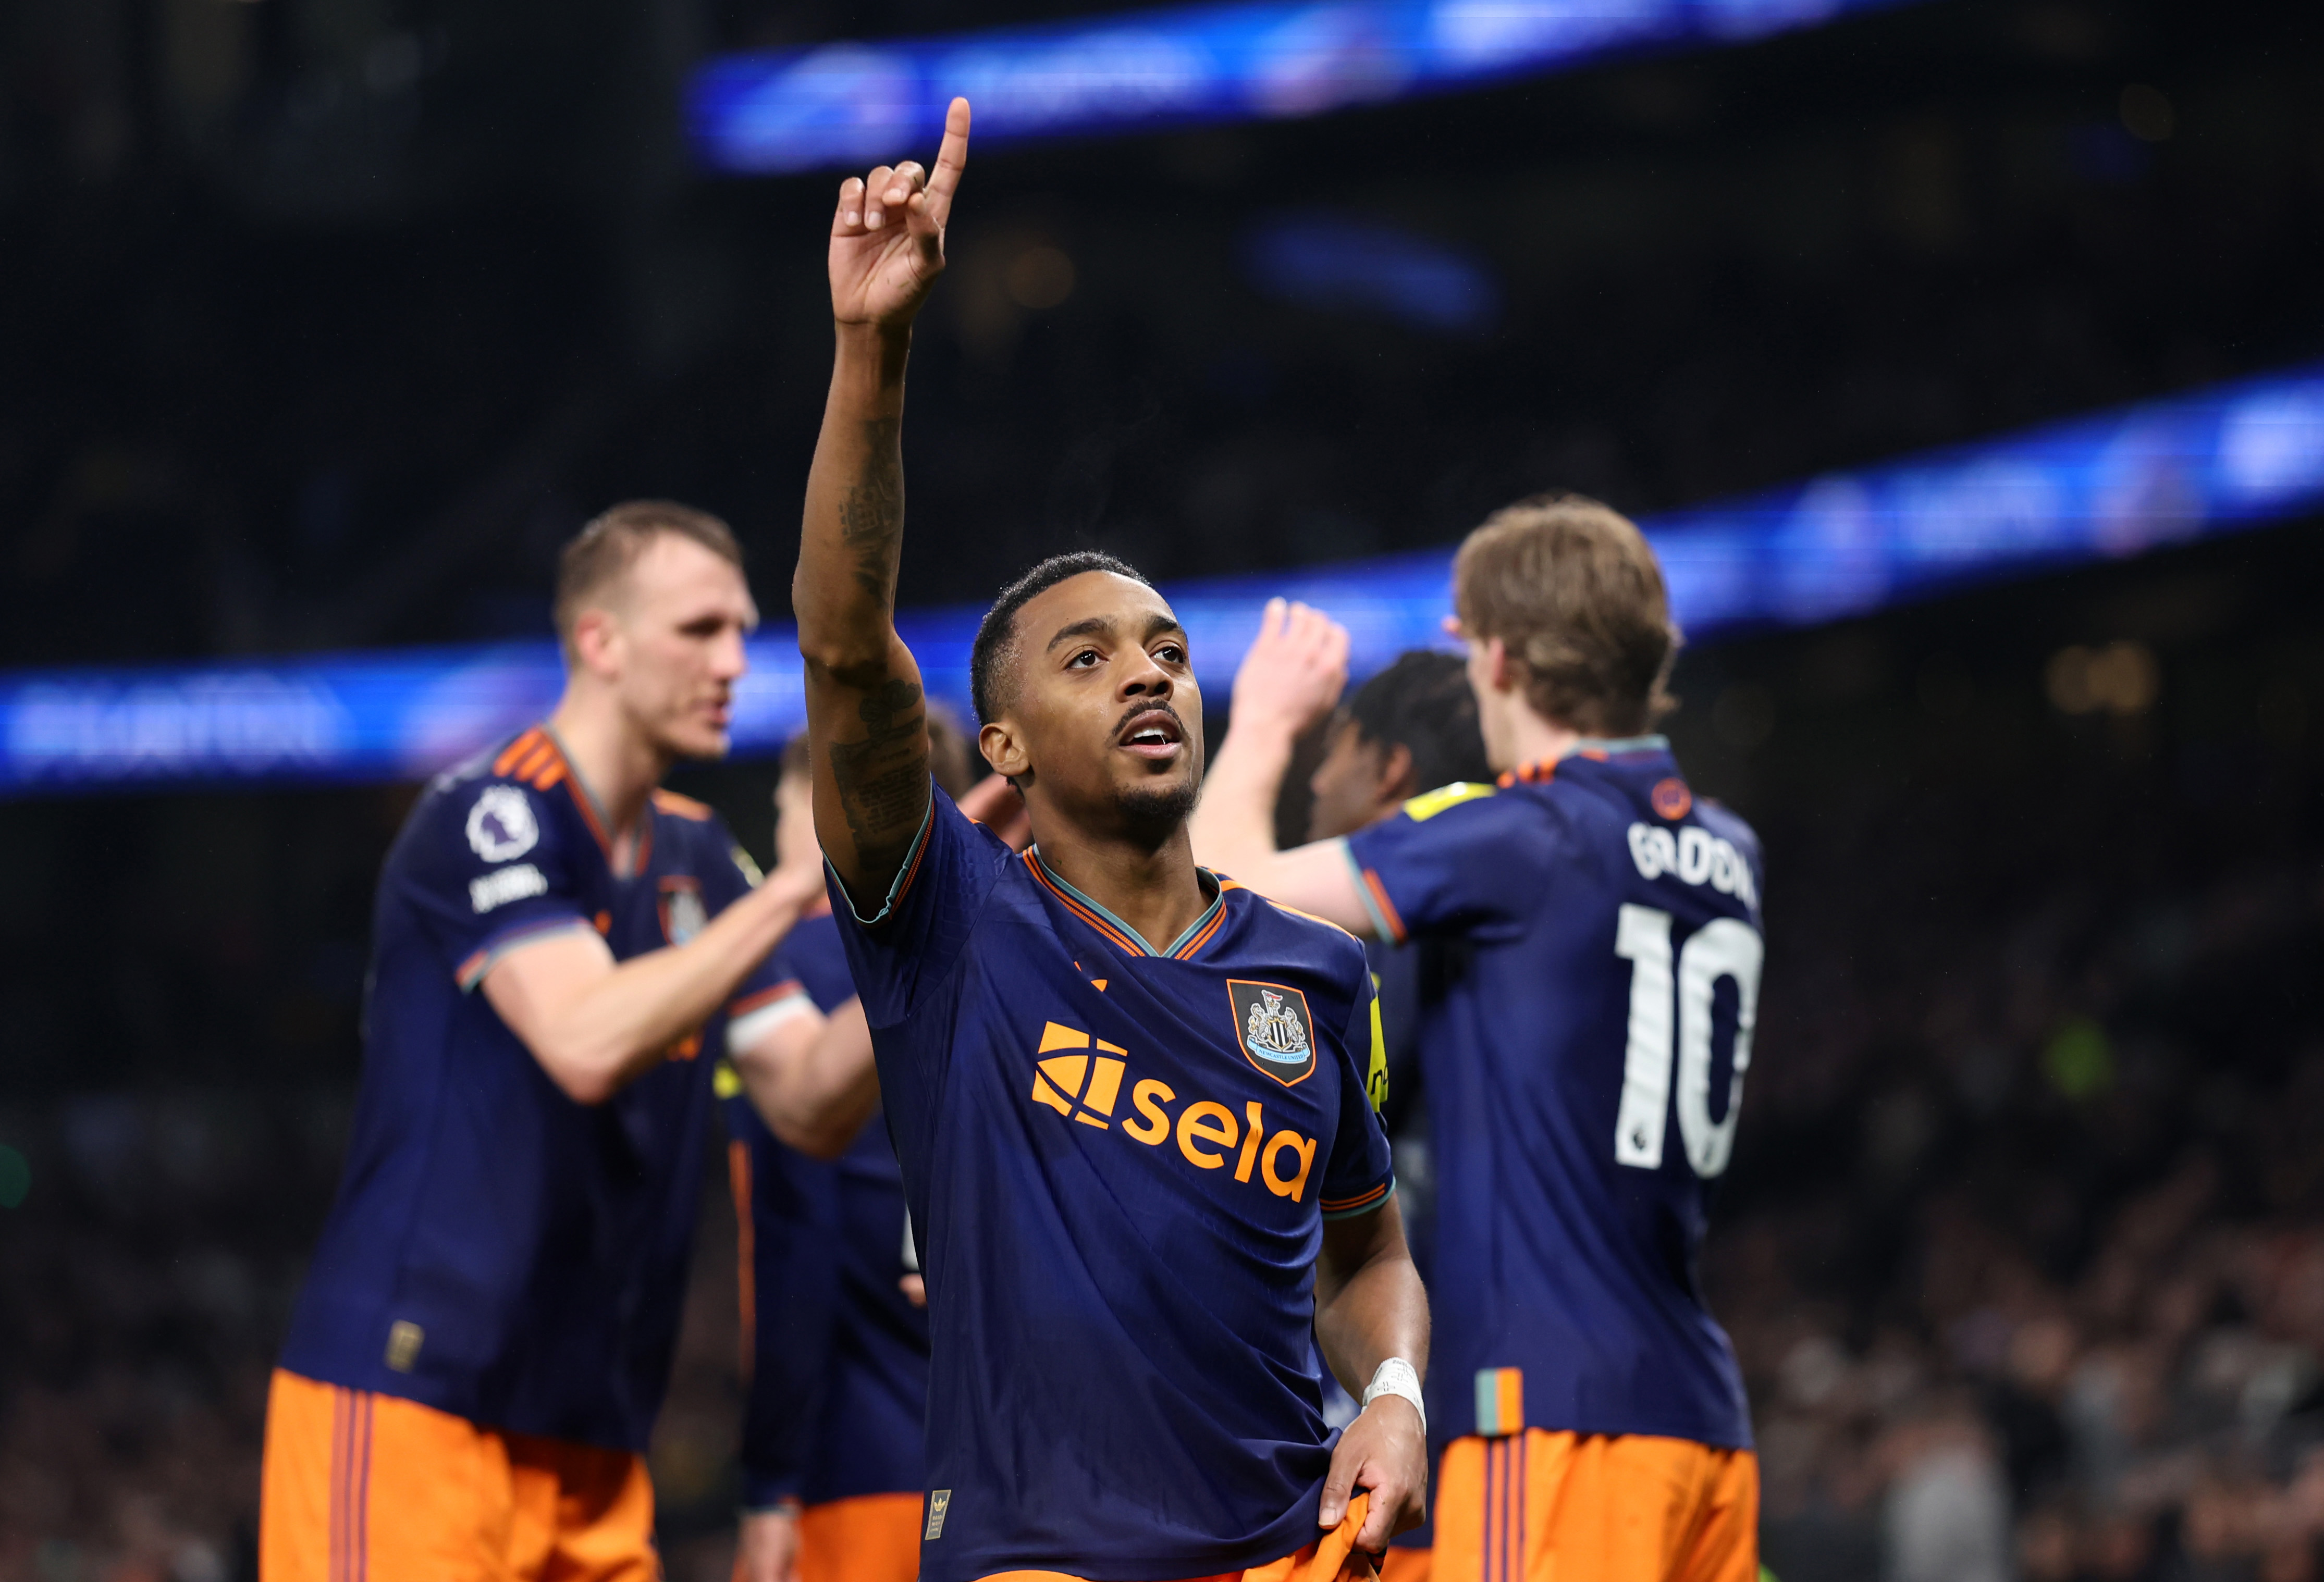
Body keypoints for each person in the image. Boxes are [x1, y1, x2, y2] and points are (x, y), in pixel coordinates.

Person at [791, 98, 1430, 1582]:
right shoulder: (947, 920)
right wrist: (873, 352)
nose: (1148, 674)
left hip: (1299, 1553)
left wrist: (1394, 1394)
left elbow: (1367, 1249)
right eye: (1087, 660)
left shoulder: (1315, 972)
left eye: (1166, 652)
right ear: (1000, 748)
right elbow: (842, 647)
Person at [261, 501, 866, 1582]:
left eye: (741, 630)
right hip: (415, 1409)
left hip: (592, 1440)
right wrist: (794, 890)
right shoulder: (487, 815)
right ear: (600, 641)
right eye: (700, 630)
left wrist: (936, 929)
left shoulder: (698, 856)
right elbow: (586, 1039)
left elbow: (809, 1099)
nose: (734, 662)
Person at [1190, 496, 1766, 1582]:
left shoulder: (1522, 833)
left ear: (1495, 658)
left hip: (1551, 1413)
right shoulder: (1729, 849)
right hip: (1701, 1418)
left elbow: (1221, 898)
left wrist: (1263, 723)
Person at [1218, 626, 1493, 1582]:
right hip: (1491, 1394)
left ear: (1391, 769)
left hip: (1407, 1430)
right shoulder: (1524, 882)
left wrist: (1263, 723)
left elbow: (1214, 895)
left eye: (1333, 748)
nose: (1317, 780)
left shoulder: (1401, 903)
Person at [721, 713, 982, 1582]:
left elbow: (795, 1238)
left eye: (783, 803)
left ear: (823, 806)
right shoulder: (1019, 953)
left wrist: (770, 1481)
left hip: (861, 1467)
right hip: (1019, 1473)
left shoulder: (787, 966)